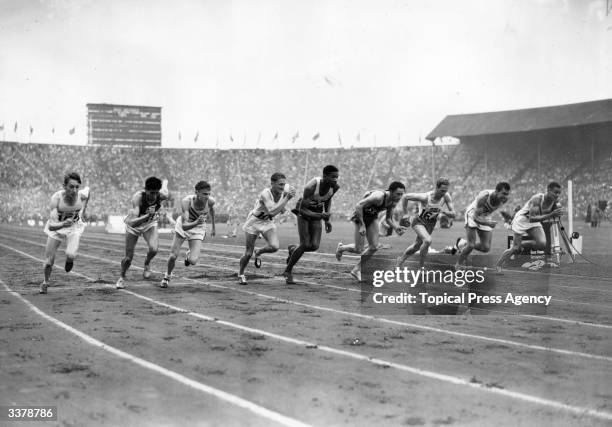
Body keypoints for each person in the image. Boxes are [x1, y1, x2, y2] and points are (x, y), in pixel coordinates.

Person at [335, 182, 406, 281]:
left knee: (374, 247)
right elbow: (359, 205)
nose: (400, 197)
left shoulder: (393, 201)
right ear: (391, 191)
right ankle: (341, 248)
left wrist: (396, 227)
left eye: (402, 194)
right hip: (360, 216)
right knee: (358, 249)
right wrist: (362, 225)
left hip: (372, 217)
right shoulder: (378, 197)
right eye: (398, 194)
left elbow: (389, 218)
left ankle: (356, 270)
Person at [284, 165, 340, 284]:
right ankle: (288, 271)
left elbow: (328, 199)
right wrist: (321, 216)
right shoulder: (311, 187)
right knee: (305, 244)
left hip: (317, 213)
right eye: (332, 177)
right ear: (324, 176)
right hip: (304, 213)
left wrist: (327, 218)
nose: (335, 180)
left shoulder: (335, 187)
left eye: (337, 177)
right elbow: (302, 209)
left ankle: (293, 249)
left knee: (314, 246)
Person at [238, 173, 296, 285]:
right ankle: (241, 274)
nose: (282, 187)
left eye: (284, 184)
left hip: (267, 222)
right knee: (248, 253)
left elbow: (281, 210)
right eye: (280, 184)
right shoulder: (265, 193)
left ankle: (259, 251)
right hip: (254, 221)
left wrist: (287, 207)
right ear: (272, 183)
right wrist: (287, 198)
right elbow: (272, 211)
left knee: (275, 247)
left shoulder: (282, 193)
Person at [495, 182, 564, 272]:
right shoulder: (537, 199)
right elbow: (532, 218)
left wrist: (558, 213)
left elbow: (551, 215)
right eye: (555, 192)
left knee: (542, 243)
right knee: (515, 249)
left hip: (535, 221)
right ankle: (499, 264)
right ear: (548, 190)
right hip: (522, 220)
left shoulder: (554, 202)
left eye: (559, 193)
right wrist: (551, 214)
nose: (557, 195)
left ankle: (522, 244)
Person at [41, 172, 90, 294]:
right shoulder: (56, 199)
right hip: (57, 227)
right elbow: (52, 226)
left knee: (71, 254)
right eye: (71, 187)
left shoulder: (81, 195)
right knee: (48, 262)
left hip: (74, 227)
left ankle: (69, 259)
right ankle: (45, 282)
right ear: (64, 186)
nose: (74, 190)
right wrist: (62, 224)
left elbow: (88, 192)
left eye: (77, 187)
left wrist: (84, 210)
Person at [116, 177, 169, 289]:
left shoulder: (161, 195)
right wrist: (147, 215)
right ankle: (122, 277)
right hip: (134, 225)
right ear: (145, 190)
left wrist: (164, 183)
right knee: (128, 258)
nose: (154, 196)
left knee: (154, 249)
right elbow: (133, 223)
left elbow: (165, 191)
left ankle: (147, 263)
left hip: (149, 224)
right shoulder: (138, 198)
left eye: (156, 193)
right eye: (151, 193)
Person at [161, 181, 216, 288]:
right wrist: (196, 222)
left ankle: (188, 255)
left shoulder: (210, 201)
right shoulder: (186, 202)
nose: (207, 196)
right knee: (173, 256)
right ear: (197, 192)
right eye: (204, 194)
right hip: (184, 226)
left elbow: (212, 209)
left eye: (209, 194)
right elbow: (185, 226)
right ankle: (167, 276)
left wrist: (213, 227)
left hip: (199, 228)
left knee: (193, 261)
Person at [396, 178, 456, 268]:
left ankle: (400, 260)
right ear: (436, 188)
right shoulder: (425, 197)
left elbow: (453, 214)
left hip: (430, 225)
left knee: (416, 246)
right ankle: (421, 267)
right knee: (428, 241)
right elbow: (405, 197)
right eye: (442, 191)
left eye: (445, 191)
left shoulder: (446, 196)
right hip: (419, 222)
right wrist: (405, 214)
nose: (443, 193)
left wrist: (443, 211)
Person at [455, 182, 511, 269]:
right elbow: (475, 218)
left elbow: (496, 211)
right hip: (473, 214)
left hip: (485, 216)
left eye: (507, 194)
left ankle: (462, 243)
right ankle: (458, 265)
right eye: (503, 193)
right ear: (496, 191)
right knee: (471, 245)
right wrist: (488, 223)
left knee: (485, 248)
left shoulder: (504, 200)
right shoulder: (484, 197)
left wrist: (509, 219)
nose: (505, 196)